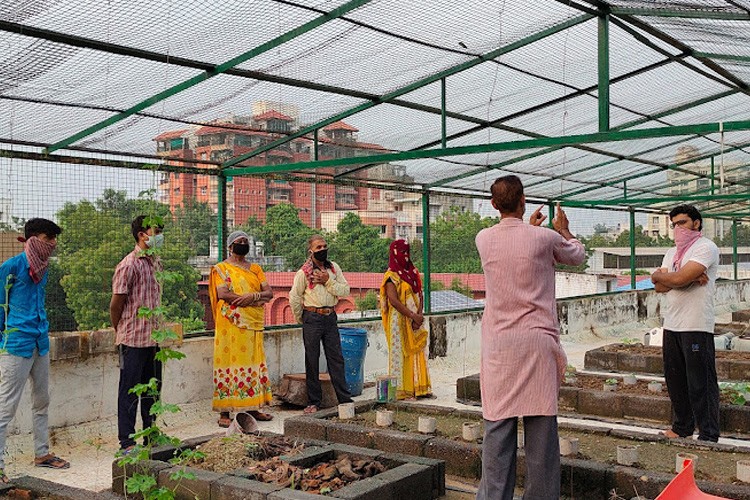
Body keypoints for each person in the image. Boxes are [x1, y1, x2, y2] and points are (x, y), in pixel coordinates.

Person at [475, 175, 585, 500]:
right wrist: (563, 230)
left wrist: (534, 230)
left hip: (499, 345)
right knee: (541, 432)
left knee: (497, 427)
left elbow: (515, 245)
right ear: (523, 200)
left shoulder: (483, 238)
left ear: (494, 204)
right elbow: (576, 256)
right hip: (536, 343)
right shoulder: (544, 238)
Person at [0, 219, 69, 482]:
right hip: (16, 346)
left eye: (54, 238)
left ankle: (42, 454)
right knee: (5, 408)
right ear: (32, 239)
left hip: (40, 342)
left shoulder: (44, 269)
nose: (53, 243)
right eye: (48, 237)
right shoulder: (10, 268)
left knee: (42, 401)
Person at [651, 204, 720, 442]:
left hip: (696, 324)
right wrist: (679, 279)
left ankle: (708, 433)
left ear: (696, 223)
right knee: (676, 379)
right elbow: (660, 285)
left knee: (701, 380)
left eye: (682, 223)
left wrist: (672, 277)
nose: (677, 228)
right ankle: (682, 428)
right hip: (672, 324)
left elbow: (676, 277)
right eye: (674, 225)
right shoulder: (672, 253)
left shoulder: (705, 248)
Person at [110, 215, 164, 454]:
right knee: (130, 392)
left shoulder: (155, 262)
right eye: (156, 231)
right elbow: (116, 304)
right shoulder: (128, 265)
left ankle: (151, 435)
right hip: (133, 340)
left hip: (154, 339)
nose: (160, 236)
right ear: (142, 235)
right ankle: (127, 441)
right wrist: (120, 330)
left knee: (152, 391)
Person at [209, 231, 274, 427]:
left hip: (252, 322)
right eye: (239, 242)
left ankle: (253, 407)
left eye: (246, 242)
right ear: (230, 246)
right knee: (228, 363)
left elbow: (268, 293)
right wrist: (254, 297)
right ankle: (225, 412)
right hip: (231, 324)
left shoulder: (255, 268)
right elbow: (223, 293)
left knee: (254, 362)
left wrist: (250, 297)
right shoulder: (221, 269)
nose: (243, 244)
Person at [289, 234, 353, 414]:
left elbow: (345, 290)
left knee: (336, 358)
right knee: (312, 359)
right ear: (311, 251)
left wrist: (327, 281)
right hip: (312, 317)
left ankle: (344, 399)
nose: (323, 250)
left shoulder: (333, 269)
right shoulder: (304, 273)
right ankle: (313, 401)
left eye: (324, 246)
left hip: (330, 316)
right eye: (318, 247)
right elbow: (294, 297)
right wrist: (301, 318)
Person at [379, 239, 431, 400]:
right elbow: (393, 301)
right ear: (394, 254)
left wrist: (419, 315)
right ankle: (402, 391)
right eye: (402, 252)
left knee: (417, 353)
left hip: (415, 319)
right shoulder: (391, 276)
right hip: (399, 322)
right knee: (400, 355)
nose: (405, 256)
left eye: (407, 252)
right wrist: (412, 315)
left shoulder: (413, 273)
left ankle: (419, 388)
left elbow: (419, 294)